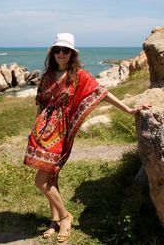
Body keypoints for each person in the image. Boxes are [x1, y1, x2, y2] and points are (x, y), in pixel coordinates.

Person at [23, 33, 149, 243]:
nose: (61, 54)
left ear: (72, 54)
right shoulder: (47, 76)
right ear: (52, 53)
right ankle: (54, 219)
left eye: (65, 50)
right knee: (51, 176)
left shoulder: (79, 75)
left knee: (40, 181)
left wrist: (128, 110)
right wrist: (34, 130)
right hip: (42, 134)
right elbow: (41, 105)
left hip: (61, 134)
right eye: (57, 50)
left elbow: (102, 93)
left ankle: (65, 217)